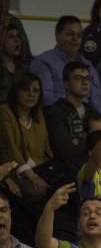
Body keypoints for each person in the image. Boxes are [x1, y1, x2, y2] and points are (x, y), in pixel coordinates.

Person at [32, 15, 101, 116]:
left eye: (79, 35)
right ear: (57, 35)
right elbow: (46, 99)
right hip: (58, 117)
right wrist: (73, 114)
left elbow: (97, 101)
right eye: (70, 34)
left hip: (88, 118)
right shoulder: (43, 62)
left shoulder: (87, 65)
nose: (75, 39)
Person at [0, 72, 54, 200]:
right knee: (36, 195)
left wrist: (52, 172)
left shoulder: (38, 115)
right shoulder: (5, 112)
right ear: (16, 92)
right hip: (15, 172)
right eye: (25, 90)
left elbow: (47, 150)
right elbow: (10, 150)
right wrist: (34, 178)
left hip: (39, 169)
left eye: (35, 90)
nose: (31, 94)